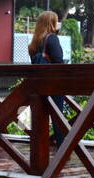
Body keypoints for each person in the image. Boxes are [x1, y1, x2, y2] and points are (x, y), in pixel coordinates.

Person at [28, 10, 67, 147]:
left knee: (39, 116)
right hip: (53, 84)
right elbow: (58, 60)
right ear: (51, 23)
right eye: (56, 21)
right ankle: (62, 148)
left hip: (38, 85)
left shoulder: (34, 42)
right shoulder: (52, 38)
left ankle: (39, 147)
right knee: (57, 117)